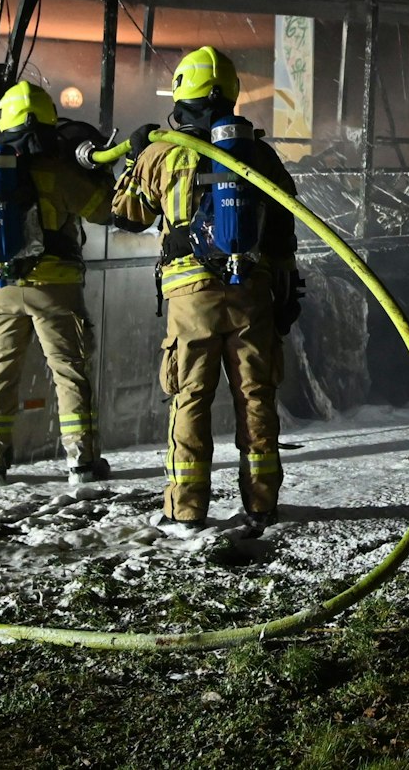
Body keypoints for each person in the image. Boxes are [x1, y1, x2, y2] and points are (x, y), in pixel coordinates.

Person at [112, 46, 302, 535]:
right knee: (256, 396)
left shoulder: (161, 151)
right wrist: (283, 290)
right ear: (232, 91)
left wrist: (135, 156)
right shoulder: (257, 152)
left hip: (189, 294)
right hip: (251, 290)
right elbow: (284, 226)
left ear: (181, 88)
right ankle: (262, 505)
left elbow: (125, 215)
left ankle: (184, 511)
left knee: (190, 397)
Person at [0, 81, 115, 488]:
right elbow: (104, 210)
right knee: (68, 371)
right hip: (55, 285)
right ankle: (81, 464)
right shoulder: (57, 173)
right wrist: (97, 170)